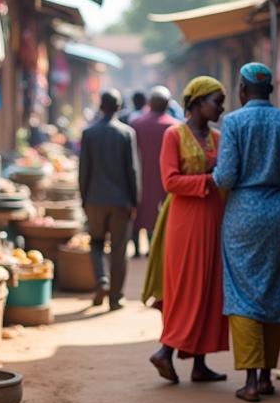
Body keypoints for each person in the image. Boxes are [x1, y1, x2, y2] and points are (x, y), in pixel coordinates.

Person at [213, 62, 280, 402]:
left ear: (242, 90)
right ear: (270, 90)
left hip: (243, 211)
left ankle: (251, 380)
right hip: (276, 210)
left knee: (242, 290)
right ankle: (268, 376)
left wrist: (212, 177)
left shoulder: (233, 122)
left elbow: (225, 177)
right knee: (274, 286)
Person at [143, 76, 228, 384]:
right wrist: (208, 180)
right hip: (185, 219)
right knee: (187, 288)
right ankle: (165, 351)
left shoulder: (219, 138)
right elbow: (170, 181)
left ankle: (199, 364)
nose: (221, 108)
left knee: (208, 287)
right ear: (197, 103)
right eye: (216, 102)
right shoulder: (173, 135)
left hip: (214, 217)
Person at [78, 89, 141, 309]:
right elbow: (132, 171)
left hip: (95, 199)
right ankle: (116, 298)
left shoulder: (89, 133)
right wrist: (135, 201)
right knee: (119, 248)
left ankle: (101, 280)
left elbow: (83, 171)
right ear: (119, 106)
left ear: (101, 106)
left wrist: (84, 200)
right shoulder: (126, 133)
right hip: (121, 202)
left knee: (95, 242)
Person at [130, 86, 178, 256]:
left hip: (140, 176)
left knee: (139, 212)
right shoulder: (175, 127)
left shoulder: (136, 124)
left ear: (150, 103)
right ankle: (153, 248)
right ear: (167, 105)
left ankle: (136, 249)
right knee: (158, 214)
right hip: (165, 178)